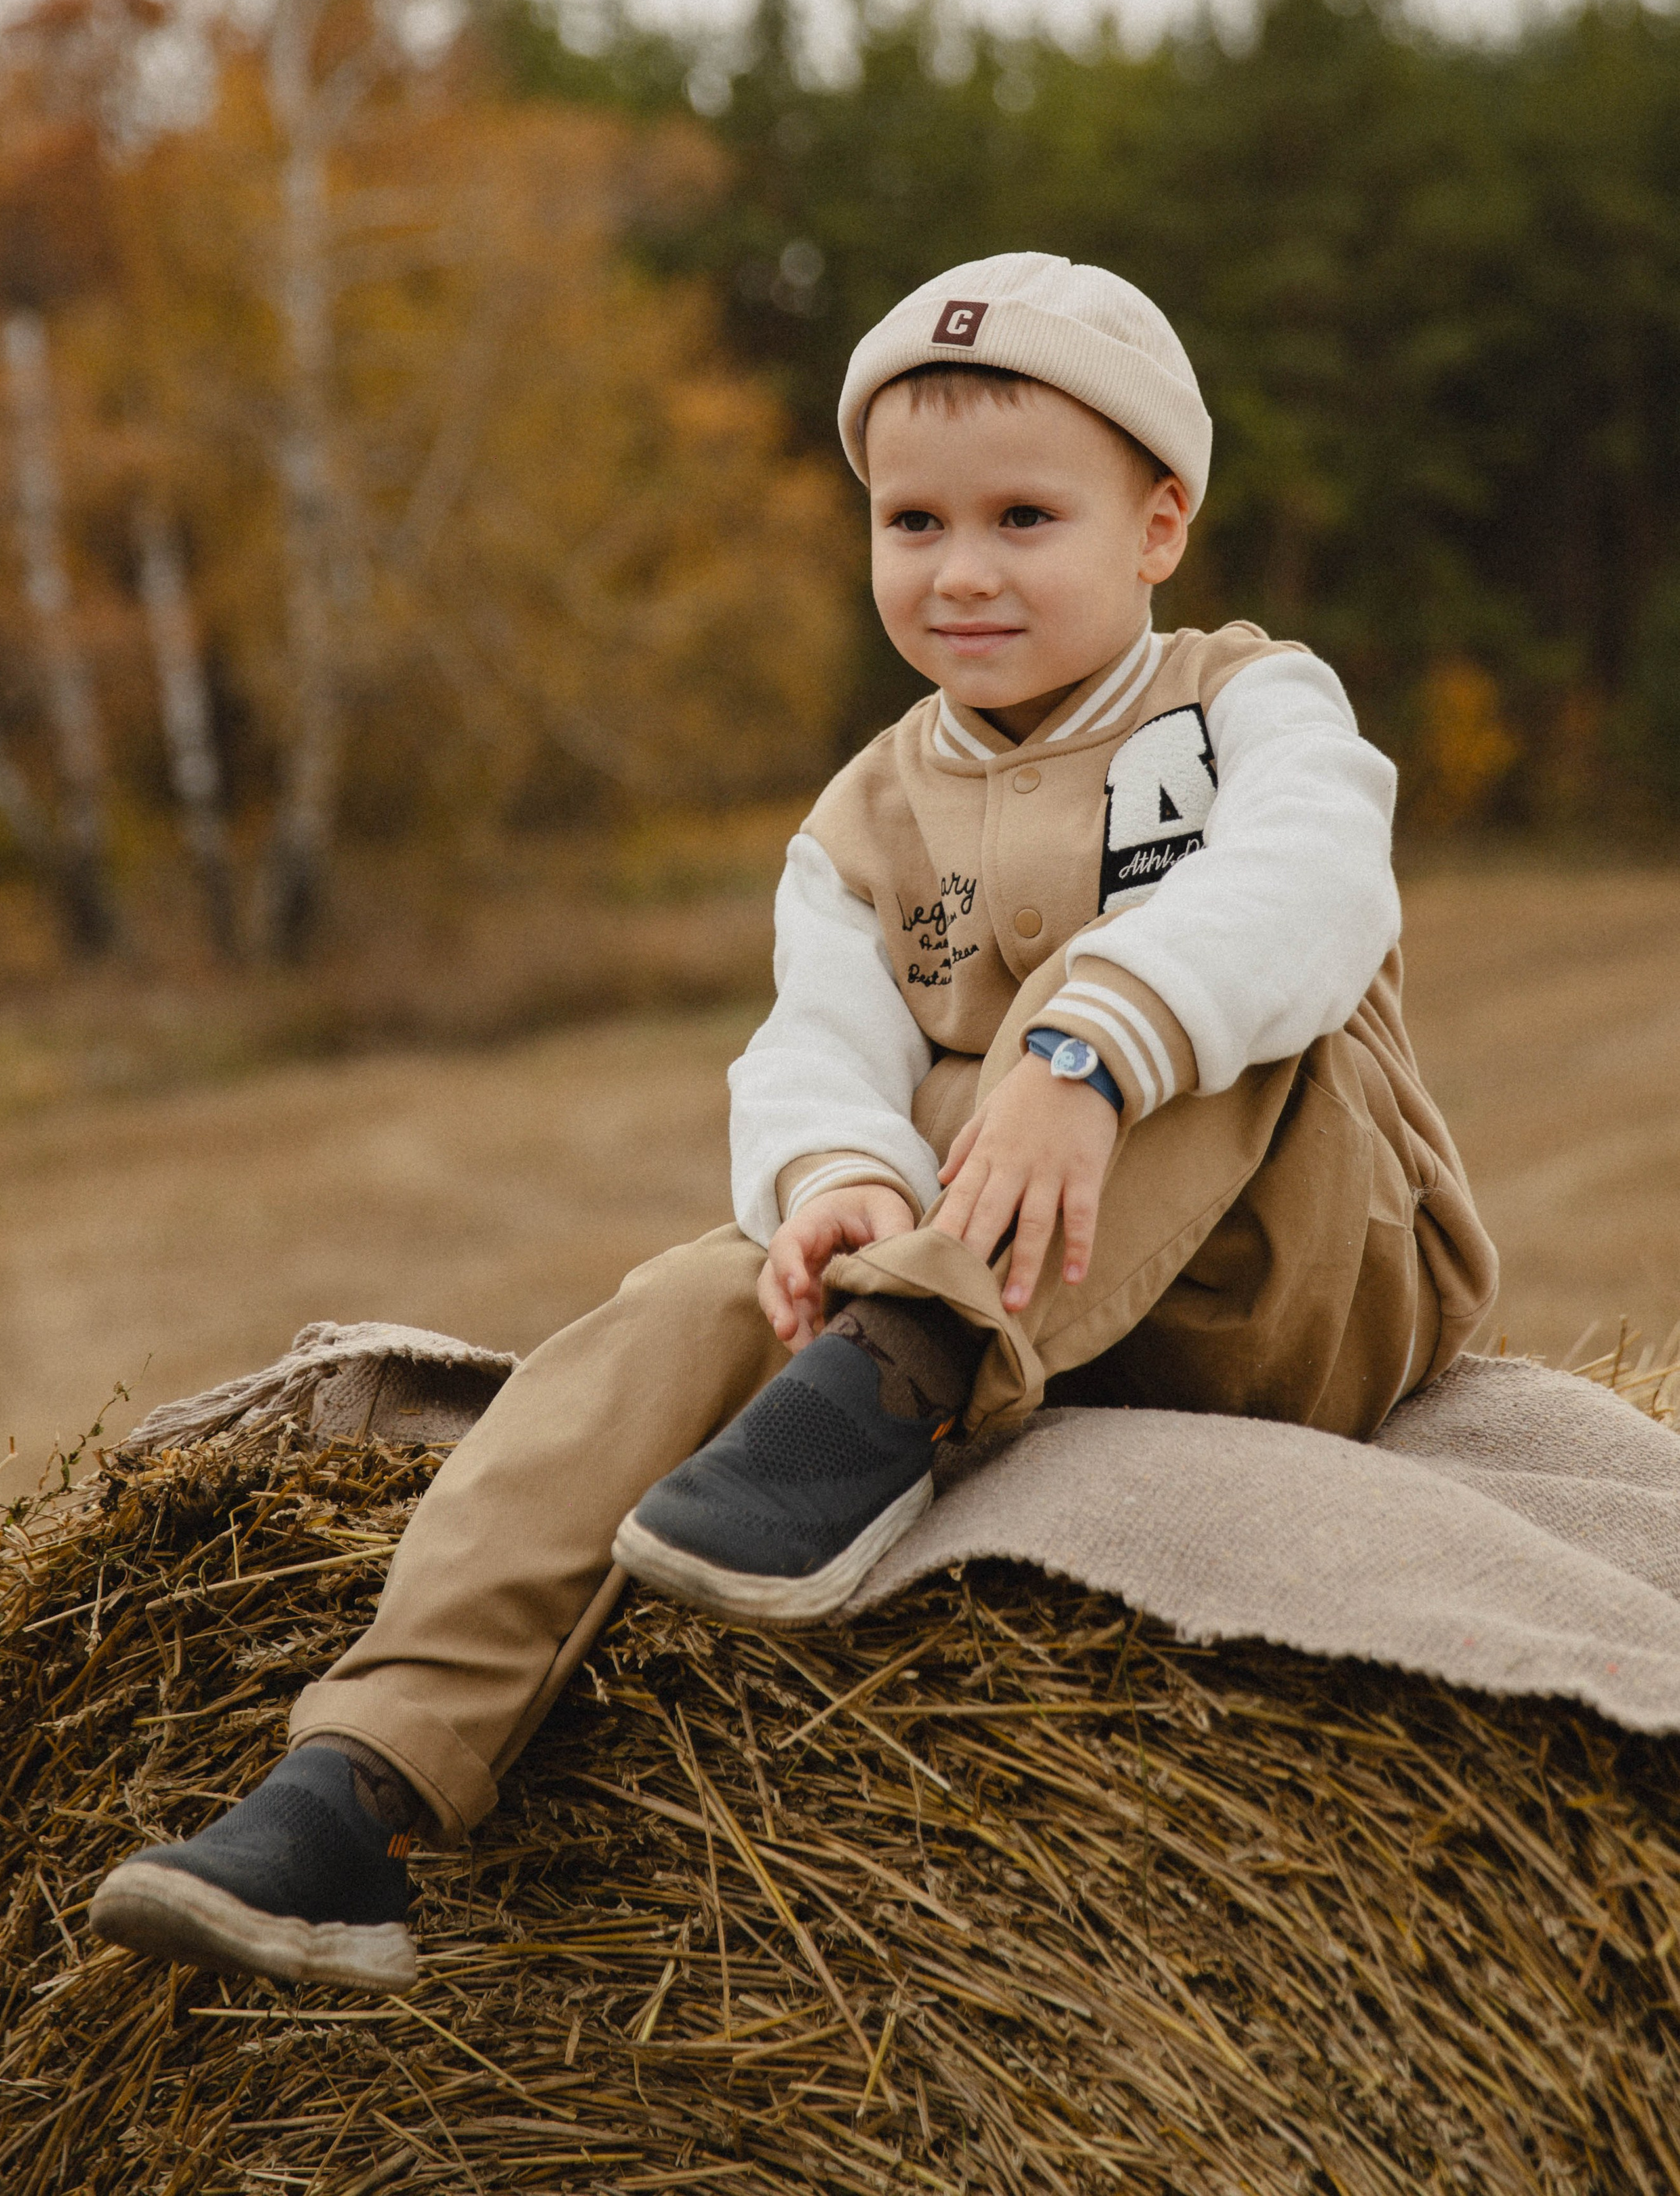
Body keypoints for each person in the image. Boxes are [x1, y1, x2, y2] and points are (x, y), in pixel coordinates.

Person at [90, 252, 1497, 1994]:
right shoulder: (860, 814)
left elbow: (1311, 884)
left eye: (1022, 518)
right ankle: (355, 1789)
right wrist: (834, 1182)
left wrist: (1087, 1053)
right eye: (910, 523)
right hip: (1019, 1293)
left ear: (1157, 524)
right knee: (693, 1291)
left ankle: (896, 1373)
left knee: (1181, 1009)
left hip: (1294, 1282)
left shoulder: (1249, 704)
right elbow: (815, 1042)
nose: (959, 569)